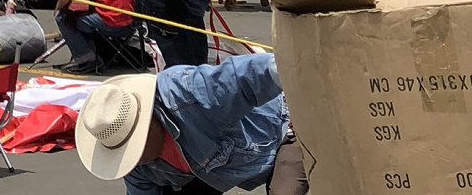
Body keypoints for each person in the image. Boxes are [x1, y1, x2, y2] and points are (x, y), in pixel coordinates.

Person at [74, 51, 303, 195]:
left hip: (284, 132)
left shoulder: (188, 94)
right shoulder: (134, 165)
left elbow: (254, 71)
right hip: (218, 172)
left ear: (148, 122)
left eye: (135, 149)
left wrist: (306, 76)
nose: (137, 160)